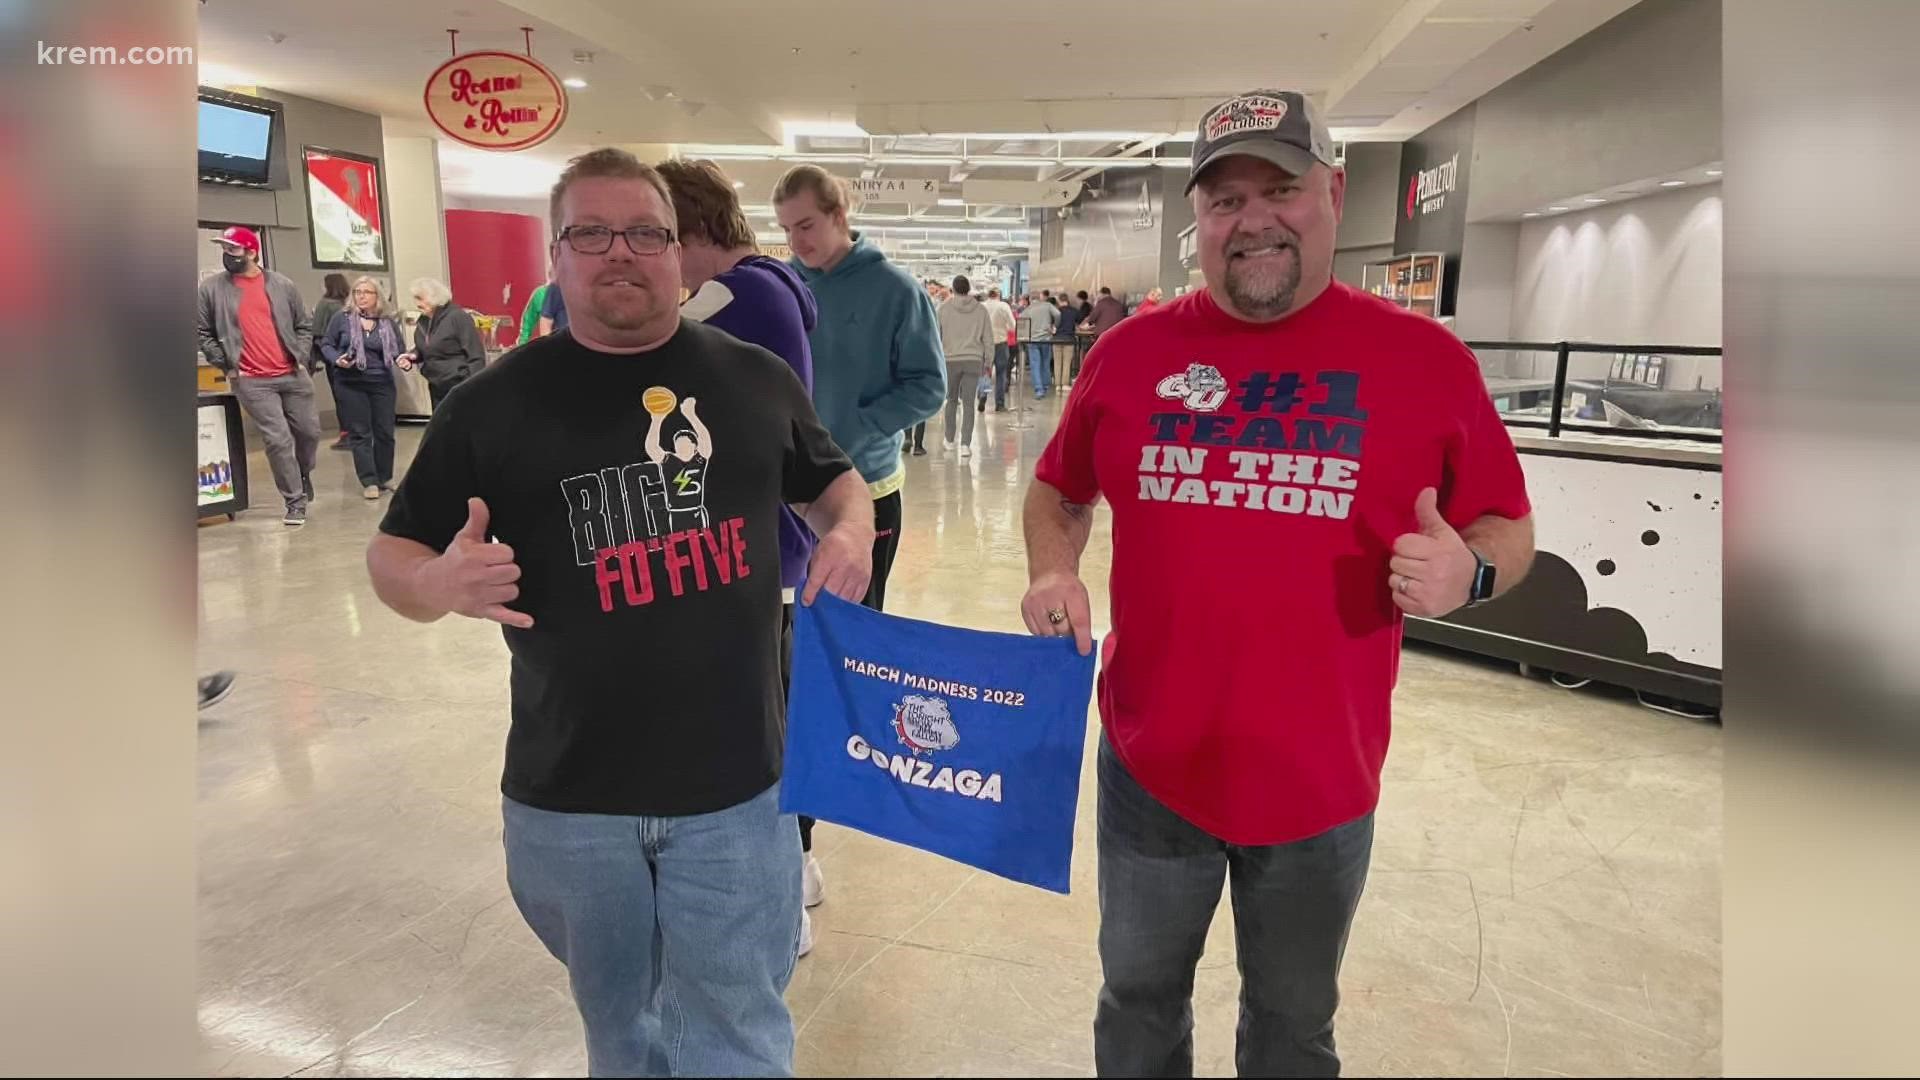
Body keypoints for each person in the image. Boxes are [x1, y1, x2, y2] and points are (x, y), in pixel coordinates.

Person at [1020, 88, 1537, 1078]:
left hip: (1322, 778)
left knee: (1294, 1030)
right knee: (1136, 1007)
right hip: (1150, 763)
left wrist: (1468, 572)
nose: (1252, 219)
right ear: (1198, 226)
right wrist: (1054, 568)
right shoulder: (1132, 355)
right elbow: (1059, 489)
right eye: (1224, 201)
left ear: (1334, 195)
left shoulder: (1423, 361)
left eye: (1281, 188)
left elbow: (1507, 525)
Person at [366, 147, 875, 1078]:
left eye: (646, 233)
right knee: (622, 1036)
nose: (621, 253)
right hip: (571, 798)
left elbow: (837, 483)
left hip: (738, 791)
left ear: (681, 252)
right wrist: (438, 587)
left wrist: (848, 534)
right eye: (590, 234)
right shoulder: (490, 407)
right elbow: (393, 555)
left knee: (738, 1035)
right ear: (556, 256)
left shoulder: (754, 378)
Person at [655, 155, 830, 956]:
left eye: (659, 238)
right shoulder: (776, 285)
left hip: (757, 544)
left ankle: (782, 897)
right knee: (775, 718)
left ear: (691, 232)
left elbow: (649, 352)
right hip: (773, 541)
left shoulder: (739, 295)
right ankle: (797, 869)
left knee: (761, 732)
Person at [774, 164, 945, 612]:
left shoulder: (897, 291)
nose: (797, 241)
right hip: (791, 492)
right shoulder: (781, 289)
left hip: (867, 488)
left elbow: (928, 385)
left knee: (855, 625)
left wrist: (859, 425)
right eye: (787, 229)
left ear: (839, 214)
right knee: (793, 625)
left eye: (806, 225)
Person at [195, 225, 320, 527]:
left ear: (252, 252)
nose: (228, 254)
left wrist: (300, 357)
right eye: (224, 249)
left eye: (233, 249)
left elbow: (304, 325)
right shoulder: (211, 290)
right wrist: (227, 366)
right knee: (277, 439)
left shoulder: (282, 285)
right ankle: (294, 501)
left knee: (309, 433)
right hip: (251, 380)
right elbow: (202, 332)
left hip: (292, 374)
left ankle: (302, 473)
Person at [319, 276, 408, 499]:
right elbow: (326, 344)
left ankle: (384, 477)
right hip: (350, 383)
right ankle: (369, 481)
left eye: (366, 292)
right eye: (357, 291)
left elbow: (398, 350)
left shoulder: (387, 322)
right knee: (360, 433)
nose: (361, 296)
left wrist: (403, 360)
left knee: (385, 432)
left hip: (381, 382)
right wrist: (337, 359)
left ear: (377, 296)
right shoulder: (342, 318)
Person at [399, 278, 487, 410]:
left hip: (459, 384)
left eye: (420, 298)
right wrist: (413, 356)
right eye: (416, 298)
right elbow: (426, 347)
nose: (417, 303)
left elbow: (476, 355)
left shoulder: (458, 317)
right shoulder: (424, 321)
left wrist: (471, 385)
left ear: (435, 297)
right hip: (436, 385)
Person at [935, 275, 994, 458]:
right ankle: (965, 445)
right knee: (969, 403)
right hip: (973, 360)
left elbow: (936, 336)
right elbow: (988, 339)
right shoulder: (981, 310)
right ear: (969, 289)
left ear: (952, 289)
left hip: (949, 360)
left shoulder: (943, 309)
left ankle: (949, 439)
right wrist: (988, 363)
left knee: (951, 400)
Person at [310, 273, 352, 449]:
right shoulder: (349, 305)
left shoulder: (324, 305)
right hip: (353, 358)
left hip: (334, 359)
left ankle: (346, 435)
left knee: (341, 397)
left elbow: (317, 333)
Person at [981, 286, 1017, 412]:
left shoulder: (981, 306)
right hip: (1001, 343)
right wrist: (1005, 328)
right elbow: (1013, 326)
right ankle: (1000, 404)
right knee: (1001, 374)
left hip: (984, 345)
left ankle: (982, 395)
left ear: (988, 294)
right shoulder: (1003, 306)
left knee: (985, 372)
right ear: (998, 295)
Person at [1018, 289, 1057, 399]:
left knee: (1035, 365)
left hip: (1033, 340)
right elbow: (1058, 314)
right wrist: (1054, 325)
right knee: (1045, 363)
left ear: (1030, 299)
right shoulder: (1048, 305)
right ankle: (1045, 386)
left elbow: (1020, 319)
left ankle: (1039, 390)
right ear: (1040, 297)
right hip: (1046, 338)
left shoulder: (1028, 309)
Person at [518, 269, 552, 344]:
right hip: (549, 346)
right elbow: (527, 323)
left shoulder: (573, 294)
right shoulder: (540, 294)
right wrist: (521, 346)